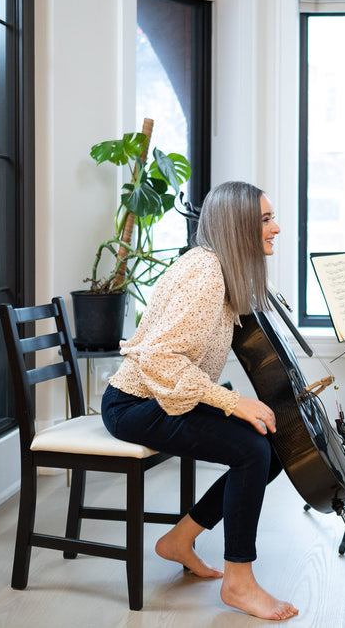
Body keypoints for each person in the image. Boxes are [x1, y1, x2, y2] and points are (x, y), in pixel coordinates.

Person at [101, 180, 298, 621]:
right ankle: (239, 582)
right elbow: (158, 357)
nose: (276, 228)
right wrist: (231, 403)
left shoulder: (217, 269)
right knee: (252, 449)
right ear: (237, 226)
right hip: (134, 403)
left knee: (270, 444)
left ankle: (179, 539)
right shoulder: (206, 274)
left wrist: (238, 403)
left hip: (167, 395)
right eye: (266, 220)